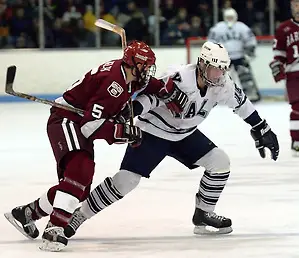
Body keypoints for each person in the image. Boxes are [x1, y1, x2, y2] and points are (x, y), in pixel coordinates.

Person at [63, 41, 279, 238]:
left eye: (223, 68)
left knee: (220, 162)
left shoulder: (223, 83)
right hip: (153, 132)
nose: (219, 74)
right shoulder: (179, 77)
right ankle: (80, 215)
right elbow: (151, 96)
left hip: (185, 135)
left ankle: (204, 213)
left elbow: (241, 104)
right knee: (126, 181)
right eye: (215, 68)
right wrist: (132, 111)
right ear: (202, 64)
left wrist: (262, 127)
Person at [4, 40, 188, 252]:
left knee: (79, 190)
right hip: (67, 119)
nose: (147, 71)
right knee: (80, 171)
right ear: (132, 63)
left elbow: (151, 84)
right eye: (144, 66)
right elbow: (90, 127)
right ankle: (54, 228)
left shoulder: (132, 76)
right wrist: (122, 132)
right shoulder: (114, 85)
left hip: (78, 122)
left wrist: (167, 91)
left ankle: (25, 214)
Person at [208, 8, 261, 102]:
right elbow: (211, 42)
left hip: (240, 56)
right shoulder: (217, 28)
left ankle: (251, 94)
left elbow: (250, 39)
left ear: (235, 17)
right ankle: (215, 96)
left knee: (246, 77)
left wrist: (250, 50)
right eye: (227, 17)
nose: (229, 19)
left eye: (231, 17)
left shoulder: (242, 27)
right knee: (218, 78)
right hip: (223, 58)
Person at [269, 0, 299, 156]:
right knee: (297, 109)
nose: (298, 7)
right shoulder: (283, 28)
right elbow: (279, 52)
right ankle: (296, 141)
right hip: (294, 75)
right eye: (295, 4)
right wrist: (278, 65)